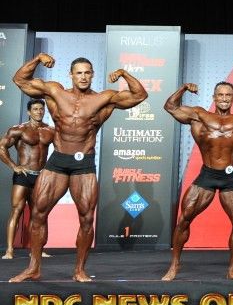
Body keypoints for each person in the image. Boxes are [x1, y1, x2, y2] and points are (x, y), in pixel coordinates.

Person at [9, 53, 147, 282]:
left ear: (92, 75)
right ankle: (34, 267)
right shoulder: (55, 92)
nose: (83, 77)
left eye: (87, 73)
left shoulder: (104, 98)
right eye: (79, 73)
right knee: (38, 213)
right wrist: (38, 59)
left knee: (86, 219)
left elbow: (140, 95)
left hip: (84, 164)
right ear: (71, 75)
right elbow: (20, 80)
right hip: (58, 161)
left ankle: (79, 270)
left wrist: (124, 73)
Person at [161, 81, 233, 281]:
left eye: (228, 95)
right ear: (214, 98)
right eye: (220, 95)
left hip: (229, 177)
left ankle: (232, 269)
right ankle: (174, 265)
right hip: (207, 175)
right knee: (184, 218)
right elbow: (170, 107)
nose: (224, 99)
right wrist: (183, 89)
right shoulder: (199, 115)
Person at [0, 99, 55, 259]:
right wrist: (14, 166)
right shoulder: (19, 129)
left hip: (41, 177)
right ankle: (9, 250)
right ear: (29, 112)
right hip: (23, 176)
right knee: (16, 210)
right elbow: (2, 147)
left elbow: (61, 151)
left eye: (41, 109)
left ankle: (37, 249)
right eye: (35, 109)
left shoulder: (50, 130)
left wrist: (52, 170)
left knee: (39, 214)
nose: (39, 111)